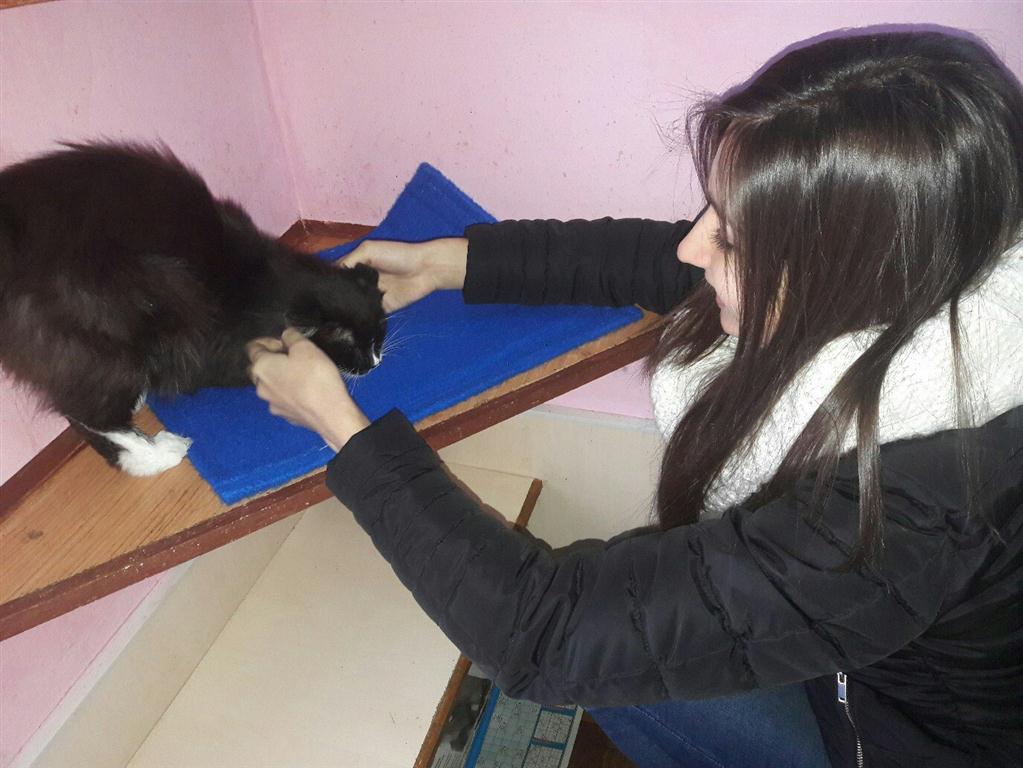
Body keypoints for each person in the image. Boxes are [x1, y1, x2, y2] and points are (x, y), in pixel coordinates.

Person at [246, 29, 1023, 768]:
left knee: (608, 673)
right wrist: (451, 263)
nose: (691, 244)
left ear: (848, 275)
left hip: (888, 742)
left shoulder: (909, 511)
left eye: (731, 239)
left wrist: (340, 426)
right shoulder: (945, 282)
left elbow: (544, 637)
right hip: (868, 664)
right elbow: (658, 259)